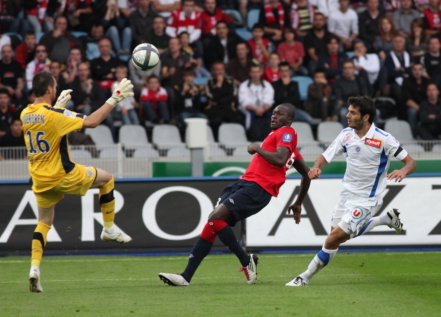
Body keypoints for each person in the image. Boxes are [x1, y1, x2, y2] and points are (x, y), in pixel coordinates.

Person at [159, 103, 312, 286]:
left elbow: (280, 160)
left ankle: (245, 261)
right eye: (273, 113)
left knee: (215, 218)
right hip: (245, 184)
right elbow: (306, 174)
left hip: (258, 187)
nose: (274, 116)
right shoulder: (287, 146)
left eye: (279, 114)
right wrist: (298, 202)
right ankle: (186, 276)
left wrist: (257, 148)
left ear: (289, 120)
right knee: (213, 223)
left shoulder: (287, 132)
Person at [286, 95, 416, 287]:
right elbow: (325, 156)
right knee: (339, 237)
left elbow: (411, 162)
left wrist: (403, 170)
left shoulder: (384, 139)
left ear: (366, 117)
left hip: (368, 199)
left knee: (332, 240)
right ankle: (386, 219)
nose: (347, 115)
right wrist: (316, 167)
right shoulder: (346, 134)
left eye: (352, 113)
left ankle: (304, 277)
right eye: (348, 111)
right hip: (346, 195)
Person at [23, 72, 134, 293]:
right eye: (54, 86)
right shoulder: (55, 114)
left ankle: (34, 269)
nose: (56, 89)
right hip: (63, 175)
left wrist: (58, 106)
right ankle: (109, 228)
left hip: (39, 179)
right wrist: (116, 97)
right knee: (107, 179)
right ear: (49, 90)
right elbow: (92, 121)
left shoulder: (25, 113)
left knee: (44, 222)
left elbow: (49, 125)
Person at [203, 62, 242, 137]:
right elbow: (211, 97)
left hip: (228, 107)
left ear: (224, 70)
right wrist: (219, 84)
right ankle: (216, 141)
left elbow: (232, 96)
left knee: (238, 119)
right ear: (213, 71)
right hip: (215, 109)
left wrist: (217, 101)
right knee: (215, 121)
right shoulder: (208, 82)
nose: (220, 72)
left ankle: (235, 138)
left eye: (222, 69)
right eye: (217, 70)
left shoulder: (230, 81)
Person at [335, 60, 373, 126]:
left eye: (350, 68)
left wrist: (359, 107)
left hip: (360, 106)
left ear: (354, 69)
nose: (348, 70)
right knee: (343, 113)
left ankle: (369, 132)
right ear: (343, 70)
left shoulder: (360, 80)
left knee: (376, 112)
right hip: (346, 106)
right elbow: (339, 100)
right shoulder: (339, 83)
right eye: (345, 68)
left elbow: (365, 96)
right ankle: (347, 133)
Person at [238, 64, 274, 129]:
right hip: (249, 110)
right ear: (250, 73)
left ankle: (271, 136)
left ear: (261, 73)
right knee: (249, 115)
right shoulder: (243, 86)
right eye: (253, 72)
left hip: (264, 109)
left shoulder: (267, 85)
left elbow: (269, 101)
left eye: (257, 72)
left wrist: (262, 109)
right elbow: (244, 103)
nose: (255, 74)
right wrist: (255, 109)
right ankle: (249, 134)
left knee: (271, 116)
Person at [402, 63, 430, 133]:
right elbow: (408, 100)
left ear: (423, 70)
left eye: (419, 69)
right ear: (411, 70)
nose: (417, 72)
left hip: (425, 106)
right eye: (415, 69)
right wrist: (421, 109)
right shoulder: (406, 81)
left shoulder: (427, 81)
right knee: (412, 111)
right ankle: (413, 134)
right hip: (412, 108)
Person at [385, 36, 412, 106]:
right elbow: (390, 72)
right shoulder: (389, 57)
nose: (398, 44)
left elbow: (412, 70)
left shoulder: (409, 56)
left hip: (409, 80)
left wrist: (401, 69)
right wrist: (406, 69)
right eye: (396, 42)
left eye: (400, 42)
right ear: (392, 44)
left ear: (404, 44)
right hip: (395, 82)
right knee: (399, 92)